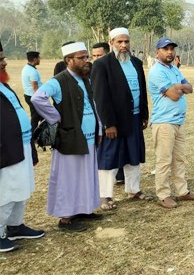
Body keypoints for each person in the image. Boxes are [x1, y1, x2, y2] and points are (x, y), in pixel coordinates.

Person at [32, 41, 101, 231]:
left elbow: (93, 106)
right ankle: (66, 218)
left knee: (86, 176)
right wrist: (55, 117)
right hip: (70, 138)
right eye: (81, 58)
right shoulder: (59, 80)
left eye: (87, 57)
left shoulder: (85, 78)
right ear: (69, 60)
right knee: (69, 178)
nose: (86, 60)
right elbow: (38, 98)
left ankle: (84, 209)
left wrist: (99, 129)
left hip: (87, 138)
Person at [90, 28, 151, 210]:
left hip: (134, 118)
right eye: (119, 42)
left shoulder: (136, 63)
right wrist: (108, 123)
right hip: (114, 121)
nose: (124, 45)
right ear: (111, 43)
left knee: (134, 154)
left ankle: (133, 189)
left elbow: (142, 90)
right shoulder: (102, 65)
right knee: (109, 157)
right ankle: (105, 195)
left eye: (126, 42)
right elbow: (101, 97)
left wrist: (144, 114)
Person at [0, 41, 45, 252]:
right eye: (0, 59)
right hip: (5, 152)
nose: (4, 62)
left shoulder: (4, 85)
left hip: (21, 146)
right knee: (7, 191)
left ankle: (15, 226)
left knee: (23, 188)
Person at [147, 37, 194, 209]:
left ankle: (182, 191)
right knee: (164, 160)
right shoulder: (157, 71)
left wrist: (178, 86)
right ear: (157, 52)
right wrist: (180, 88)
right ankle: (163, 195)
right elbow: (175, 95)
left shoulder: (173, 69)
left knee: (179, 159)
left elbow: (189, 86)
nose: (170, 52)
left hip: (177, 121)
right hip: (164, 122)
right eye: (166, 49)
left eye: (172, 49)